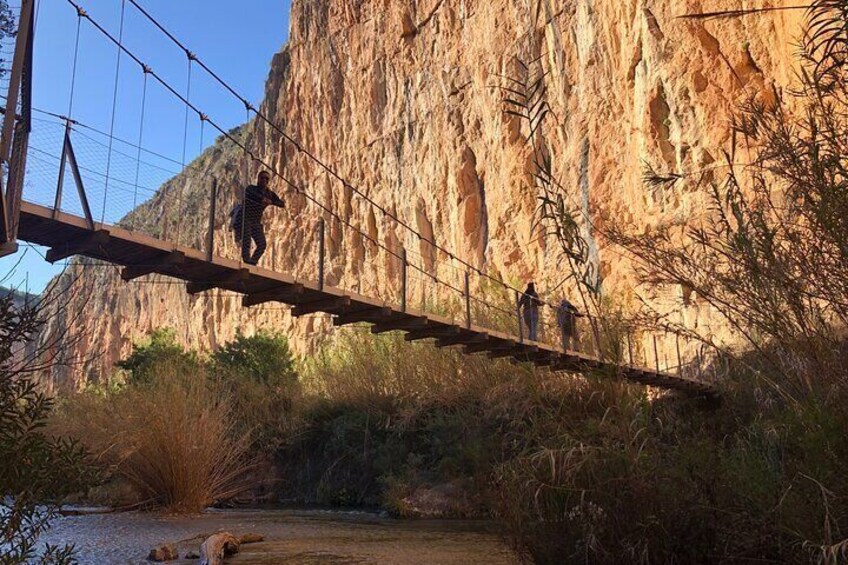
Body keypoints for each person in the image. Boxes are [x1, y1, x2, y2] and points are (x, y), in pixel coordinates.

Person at [236, 170, 285, 265]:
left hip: (255, 221)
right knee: (246, 240)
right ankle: (247, 261)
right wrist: (262, 199)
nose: (264, 180)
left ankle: (252, 262)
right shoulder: (251, 188)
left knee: (262, 244)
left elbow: (281, 204)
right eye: (262, 178)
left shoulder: (269, 194)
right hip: (244, 217)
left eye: (267, 178)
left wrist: (271, 201)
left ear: (268, 181)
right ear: (258, 179)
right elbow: (249, 193)